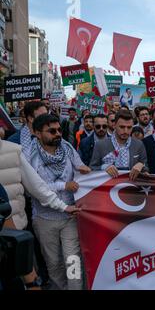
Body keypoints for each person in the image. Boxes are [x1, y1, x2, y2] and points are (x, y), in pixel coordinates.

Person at [28, 114, 90, 290]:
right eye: (52, 131)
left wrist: (86, 171)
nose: (58, 134)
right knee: (53, 263)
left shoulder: (68, 148)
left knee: (72, 259)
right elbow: (34, 187)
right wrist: (63, 185)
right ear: (37, 133)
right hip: (44, 219)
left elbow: (80, 167)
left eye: (59, 130)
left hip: (70, 216)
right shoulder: (30, 156)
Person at [90, 110, 147, 181]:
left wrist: (141, 165)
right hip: (108, 188)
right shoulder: (100, 145)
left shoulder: (139, 144)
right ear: (114, 126)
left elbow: (146, 168)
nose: (126, 131)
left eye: (129, 127)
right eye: (122, 127)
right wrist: (105, 167)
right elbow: (92, 168)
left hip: (130, 187)